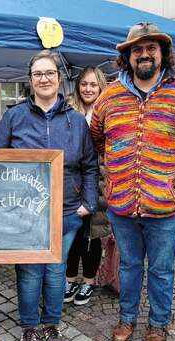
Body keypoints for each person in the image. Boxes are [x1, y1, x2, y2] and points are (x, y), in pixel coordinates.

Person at [90, 22, 175, 341]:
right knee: (129, 266)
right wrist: (122, 169)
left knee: (161, 269)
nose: (143, 54)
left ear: (163, 54)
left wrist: (172, 170)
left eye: (151, 48)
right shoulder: (110, 96)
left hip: (166, 205)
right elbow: (98, 139)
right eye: (136, 50)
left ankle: (159, 324)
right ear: (127, 57)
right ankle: (127, 318)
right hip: (122, 204)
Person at [0, 50, 99, 341]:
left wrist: (88, 202)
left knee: (55, 270)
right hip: (25, 213)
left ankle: (51, 323)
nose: (44, 78)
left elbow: (90, 165)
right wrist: (7, 206)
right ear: (30, 80)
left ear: (59, 78)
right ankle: (28, 326)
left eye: (49, 73)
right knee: (29, 271)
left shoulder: (76, 121)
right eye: (38, 74)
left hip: (66, 211)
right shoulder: (15, 117)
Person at [64, 66, 110, 305]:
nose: (88, 89)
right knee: (71, 234)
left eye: (93, 84)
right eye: (84, 84)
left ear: (101, 87)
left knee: (92, 237)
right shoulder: (69, 111)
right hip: (73, 183)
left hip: (100, 181)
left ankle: (89, 282)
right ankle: (70, 280)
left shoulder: (107, 112)